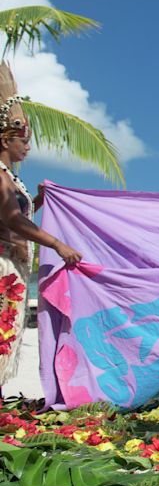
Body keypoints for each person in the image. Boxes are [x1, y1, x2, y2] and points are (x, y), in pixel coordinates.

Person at [0, 64, 83, 392]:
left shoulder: (9, 178)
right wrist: (56, 244)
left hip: (12, 266)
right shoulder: (0, 176)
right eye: (24, 140)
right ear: (7, 138)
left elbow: (16, 214)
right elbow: (12, 220)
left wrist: (37, 199)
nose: (28, 147)